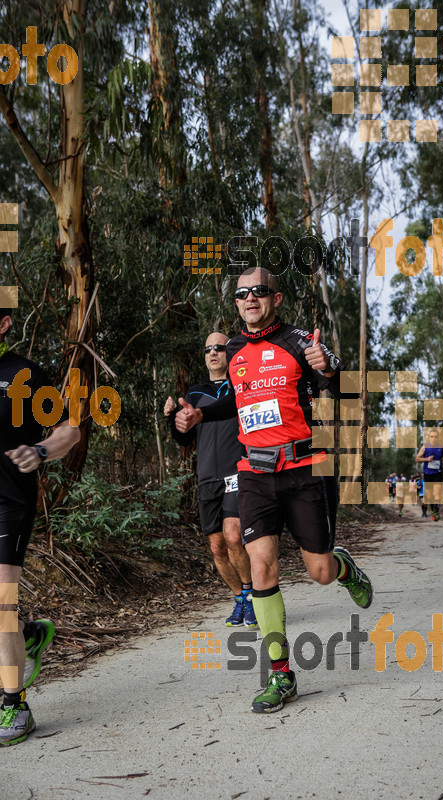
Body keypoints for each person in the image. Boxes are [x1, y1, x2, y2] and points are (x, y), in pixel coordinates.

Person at [174, 267, 373, 714]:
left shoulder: (300, 343)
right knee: (261, 568)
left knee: (318, 571)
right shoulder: (236, 348)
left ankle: (344, 569)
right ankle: (281, 676)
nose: (250, 299)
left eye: (258, 292)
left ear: (275, 298)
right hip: (255, 474)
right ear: (236, 303)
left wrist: (329, 366)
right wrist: (201, 415)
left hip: (305, 469)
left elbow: (343, 390)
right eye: (242, 294)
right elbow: (237, 399)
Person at [0, 308, 80, 745]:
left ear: (4, 324)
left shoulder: (24, 375)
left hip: (8, 502)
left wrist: (39, 450)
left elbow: (70, 430)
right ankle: (29, 636)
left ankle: (15, 705)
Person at [164, 332, 257, 628]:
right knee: (217, 547)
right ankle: (240, 599)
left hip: (237, 471)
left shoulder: (242, 386)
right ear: (204, 356)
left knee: (233, 536)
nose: (214, 352)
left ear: (231, 353)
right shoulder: (193, 394)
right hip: (207, 477)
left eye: (220, 347)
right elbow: (184, 439)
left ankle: (254, 596)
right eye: (208, 349)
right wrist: (171, 419)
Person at [415, 429, 443, 521]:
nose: (434, 438)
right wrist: (426, 459)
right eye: (432, 436)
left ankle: (436, 512)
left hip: (438, 472)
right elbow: (417, 459)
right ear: (429, 437)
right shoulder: (425, 447)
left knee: (437, 493)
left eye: (436, 436)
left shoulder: (441, 447)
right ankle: (433, 510)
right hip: (428, 473)